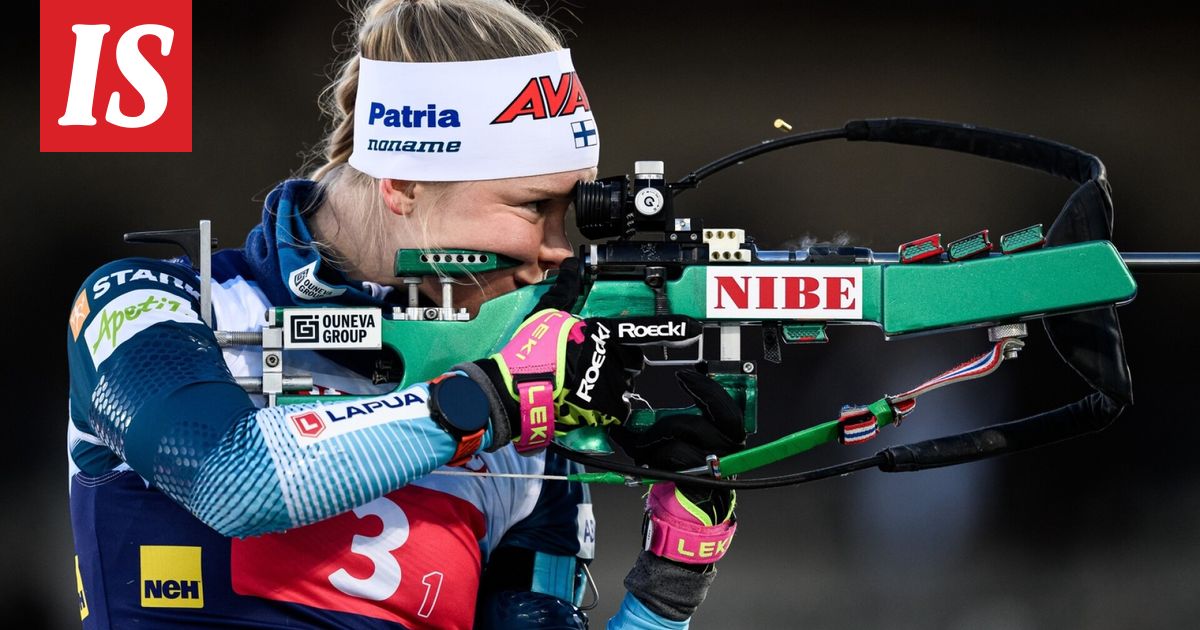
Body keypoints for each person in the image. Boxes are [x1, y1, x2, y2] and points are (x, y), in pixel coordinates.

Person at [66, 1, 744, 628]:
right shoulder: (148, 303)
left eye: (569, 213)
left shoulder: (526, 424)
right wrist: (489, 399)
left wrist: (667, 588)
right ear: (404, 181)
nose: (559, 251)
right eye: (534, 206)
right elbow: (234, 481)